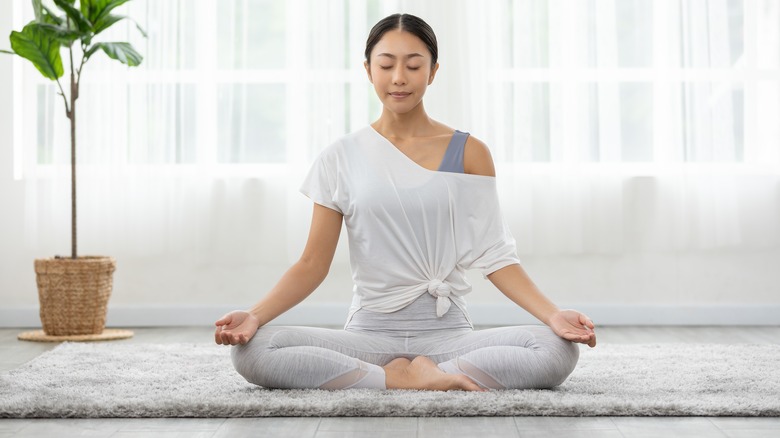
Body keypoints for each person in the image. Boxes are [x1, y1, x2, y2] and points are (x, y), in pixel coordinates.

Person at [214, 13, 596, 391]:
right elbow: (312, 264)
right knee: (256, 349)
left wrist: (553, 314)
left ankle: (407, 376)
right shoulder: (340, 156)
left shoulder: (468, 152)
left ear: (432, 72)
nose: (399, 78)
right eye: (386, 65)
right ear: (368, 70)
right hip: (369, 337)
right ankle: (398, 377)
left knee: (554, 349)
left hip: (448, 338)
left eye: (414, 66)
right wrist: (254, 315)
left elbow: (496, 255)